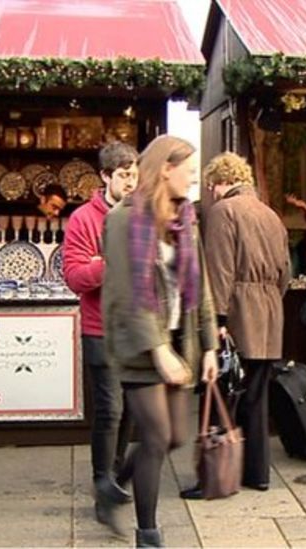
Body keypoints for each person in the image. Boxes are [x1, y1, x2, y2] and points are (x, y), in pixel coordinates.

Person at [101, 135, 218, 547]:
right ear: (165, 168)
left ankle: (112, 485)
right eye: (187, 170)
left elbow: (199, 286)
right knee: (153, 438)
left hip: (177, 342)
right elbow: (125, 292)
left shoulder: (186, 218)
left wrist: (208, 346)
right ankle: (147, 535)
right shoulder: (123, 219)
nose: (192, 179)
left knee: (174, 437)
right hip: (138, 346)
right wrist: (158, 350)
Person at [181, 153, 290, 499]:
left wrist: (218, 320)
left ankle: (213, 477)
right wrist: (268, 299)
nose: (210, 192)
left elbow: (219, 269)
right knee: (256, 397)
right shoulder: (271, 214)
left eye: (211, 185)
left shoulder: (223, 212)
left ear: (217, 182)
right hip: (270, 313)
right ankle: (257, 474)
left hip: (238, 314)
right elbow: (285, 272)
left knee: (221, 394)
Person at [62, 141, 139, 531]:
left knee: (128, 412)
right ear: (105, 177)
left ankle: (113, 475)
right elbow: (75, 276)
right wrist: (110, 264)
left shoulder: (143, 215)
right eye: (124, 174)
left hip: (135, 329)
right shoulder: (82, 220)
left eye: (135, 173)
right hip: (99, 328)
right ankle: (101, 480)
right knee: (109, 410)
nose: (131, 181)